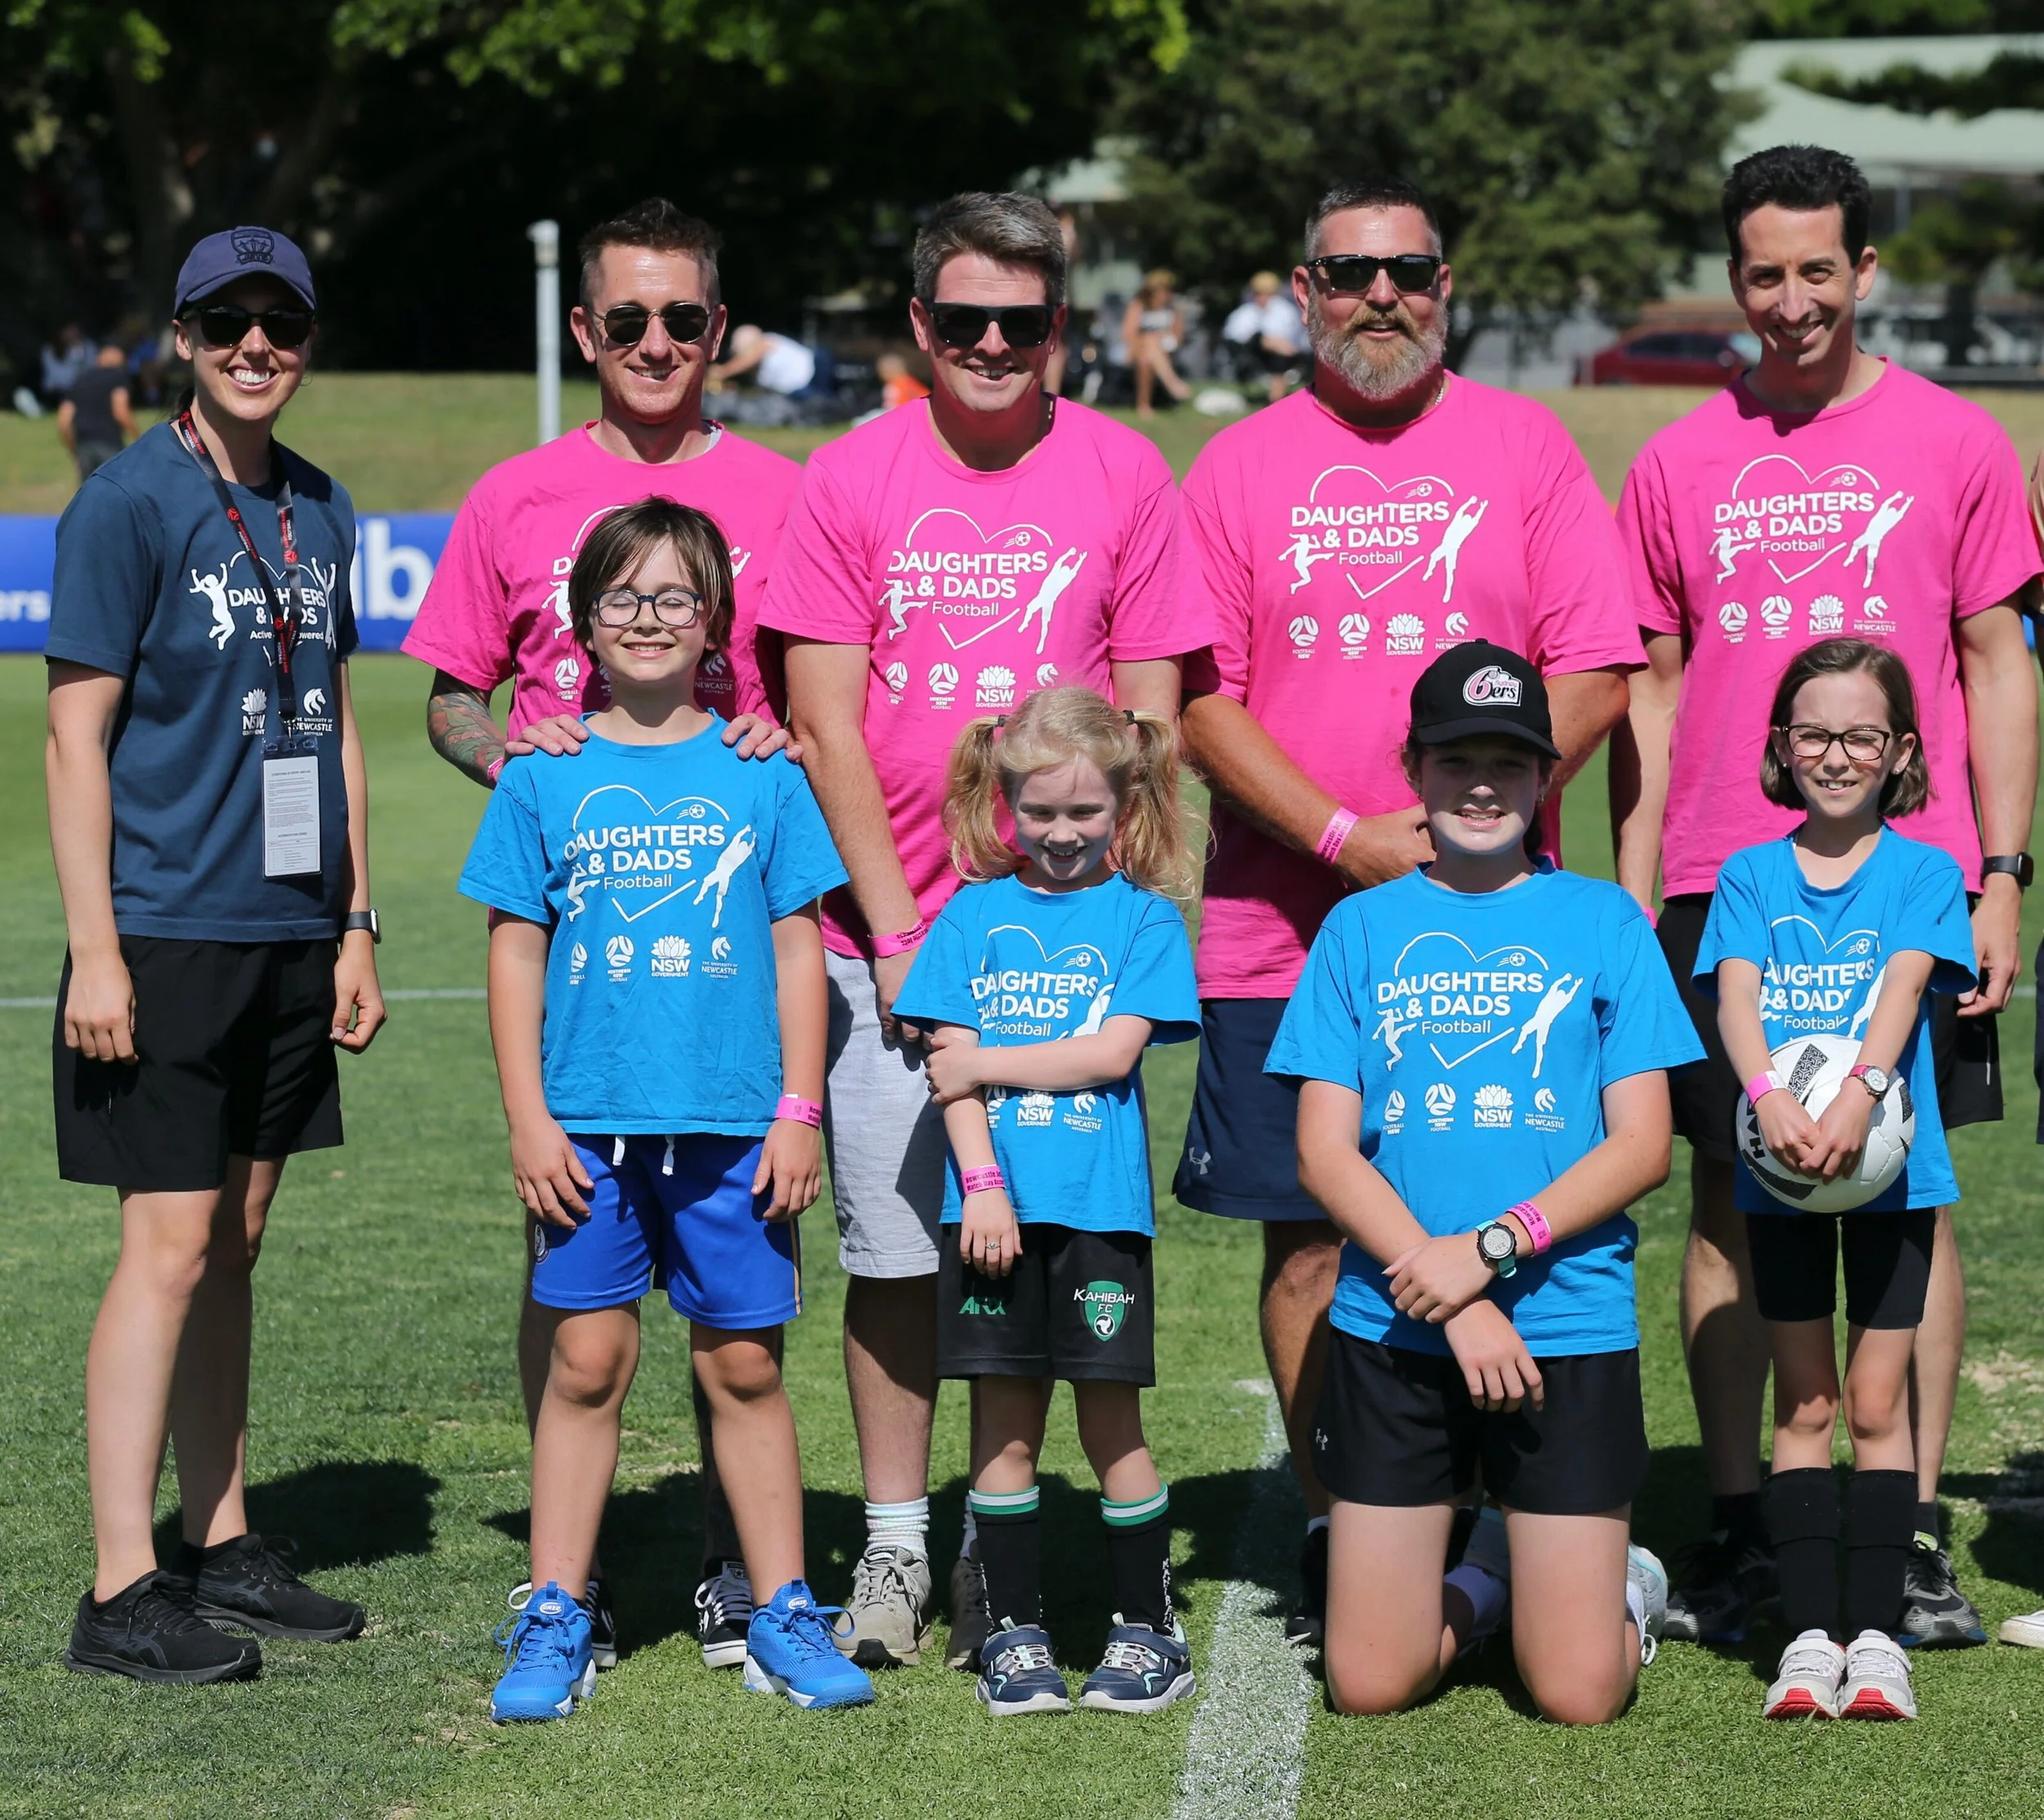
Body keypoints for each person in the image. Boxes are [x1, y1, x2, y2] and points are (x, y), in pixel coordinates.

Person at [1173, 174, 1641, 1648]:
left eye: (1411, 271)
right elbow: (1201, 703)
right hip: (1278, 925)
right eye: (1349, 273)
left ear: (1449, 283)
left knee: (1516, 1219)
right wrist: (1337, 833)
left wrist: (1454, 841)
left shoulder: (1530, 447)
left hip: (1515, 936)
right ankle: (1342, 1530)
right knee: (1313, 1247)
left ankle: (1519, 1519)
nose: (1383, 297)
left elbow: (1598, 669)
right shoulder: (1240, 467)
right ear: (1301, 289)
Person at [759, 191, 1202, 1671]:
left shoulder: (1128, 469)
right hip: (889, 934)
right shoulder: (850, 474)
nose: (995, 344)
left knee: (1040, 1243)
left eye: (1025, 319)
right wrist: (894, 935)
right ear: (920, 329)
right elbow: (822, 718)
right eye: (965, 321)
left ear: (1062, 325)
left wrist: (1122, 930)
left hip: (1068, 947)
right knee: (896, 1257)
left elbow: (1150, 725)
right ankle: (895, 1547)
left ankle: (993, 1540)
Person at [1611, 144, 2041, 1647]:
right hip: (1725, 890)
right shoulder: (1674, 461)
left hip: (1915, 891)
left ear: (1867, 270)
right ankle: (1747, 1530)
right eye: (1760, 272)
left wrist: (1998, 873)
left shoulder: (1956, 441)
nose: (1788, 301)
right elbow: (1651, 691)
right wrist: (1631, 894)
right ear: (1735, 278)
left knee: (1910, 1186)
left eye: (1816, 270)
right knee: (1730, 1197)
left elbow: (1997, 660)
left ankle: (1903, 1529)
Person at [401, 197, 800, 1672]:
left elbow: (821, 695)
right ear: (586, 331)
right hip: (578, 970)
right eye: (623, 319)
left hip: (731, 940)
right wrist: (525, 760)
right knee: (569, 1263)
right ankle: (565, 1579)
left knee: (736, 1270)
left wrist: (774, 751)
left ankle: (726, 1556)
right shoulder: (513, 494)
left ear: (717, 330)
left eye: (679, 319)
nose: (651, 343)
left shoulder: (785, 489)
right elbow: (447, 688)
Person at [458, 497, 872, 1718]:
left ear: (715, 625)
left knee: (743, 1362)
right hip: (585, 1124)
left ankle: (783, 1607)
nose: (648, 618)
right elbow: (513, 949)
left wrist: (798, 1109)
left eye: (674, 597)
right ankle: (555, 1610)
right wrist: (529, 1117)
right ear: (581, 621)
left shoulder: (764, 772)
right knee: (586, 1359)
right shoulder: (543, 774)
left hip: (737, 1124)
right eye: (622, 597)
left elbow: (800, 949)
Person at [47, 226, 384, 1684]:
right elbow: (75, 734)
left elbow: (339, 717)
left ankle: (221, 1536)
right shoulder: (128, 500)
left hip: (290, 930)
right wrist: (95, 953)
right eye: (230, 320)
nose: (260, 344)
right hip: (166, 927)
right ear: (182, 337)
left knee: (237, 1241)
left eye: (283, 321)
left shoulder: (320, 505)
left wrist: (358, 918)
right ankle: (123, 1583)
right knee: (169, 1244)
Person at [1266, 641, 1692, 1724]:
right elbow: (1325, 1150)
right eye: (1457, 760)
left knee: (1580, 1691)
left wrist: (1491, 1251)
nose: (1484, 784)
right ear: (1414, 768)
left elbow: (1643, 1143)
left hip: (1565, 1322)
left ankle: (1615, 1586)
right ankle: (1496, 1568)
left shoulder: (1605, 923)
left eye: (1511, 759)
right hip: (1398, 1326)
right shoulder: (1360, 926)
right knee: (1368, 1682)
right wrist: (1448, 1294)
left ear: (1549, 776)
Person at [894, 688, 1200, 1715]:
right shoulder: (970, 916)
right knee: (1004, 1433)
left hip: (1100, 1219)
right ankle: (1015, 1634)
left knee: (1113, 1428)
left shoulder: (1146, 923)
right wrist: (981, 1185)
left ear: (1126, 803)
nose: (1060, 834)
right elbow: (947, 1078)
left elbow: (1109, 1054)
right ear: (1002, 804)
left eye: (1083, 813)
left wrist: (980, 1058)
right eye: (1038, 813)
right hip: (990, 1217)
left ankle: (1148, 1628)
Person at [1696, 639, 1975, 1720]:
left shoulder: (1919, 871)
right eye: (1814, 733)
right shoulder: (1750, 874)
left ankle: (1878, 1637)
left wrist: (1859, 1091)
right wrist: (1768, 1095)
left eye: (1862, 735)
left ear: (1899, 749)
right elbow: (1736, 994)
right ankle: (1809, 1641)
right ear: (1781, 746)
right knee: (1806, 1397)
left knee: (1874, 1401)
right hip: (1785, 1173)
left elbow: (1905, 986)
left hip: (1892, 1173)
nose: (1837, 754)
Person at [1221, 271, 1307, 404]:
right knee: (1264, 341)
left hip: (1284, 354)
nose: (1263, 297)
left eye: (1267, 293)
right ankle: (1277, 398)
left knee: (1279, 354)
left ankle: (1276, 397)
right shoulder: (1245, 313)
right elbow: (1236, 338)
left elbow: (1291, 337)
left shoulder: (1284, 310)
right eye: (1259, 293)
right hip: (1255, 353)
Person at [57, 343, 138, 482]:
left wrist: (73, 448)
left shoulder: (80, 380)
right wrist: (138, 438)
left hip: (83, 445)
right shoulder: (117, 377)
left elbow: (64, 419)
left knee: (89, 494)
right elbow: (120, 411)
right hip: (109, 443)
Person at [1118, 271, 1192, 418]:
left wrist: (1163, 339)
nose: (1165, 294)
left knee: (1146, 360)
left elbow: (1178, 338)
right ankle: (1172, 383)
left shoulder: (1173, 310)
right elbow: (1128, 336)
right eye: (1161, 290)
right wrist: (1152, 339)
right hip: (1136, 350)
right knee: (1149, 339)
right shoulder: (1138, 306)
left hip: (1164, 352)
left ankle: (1144, 406)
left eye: (1168, 290)